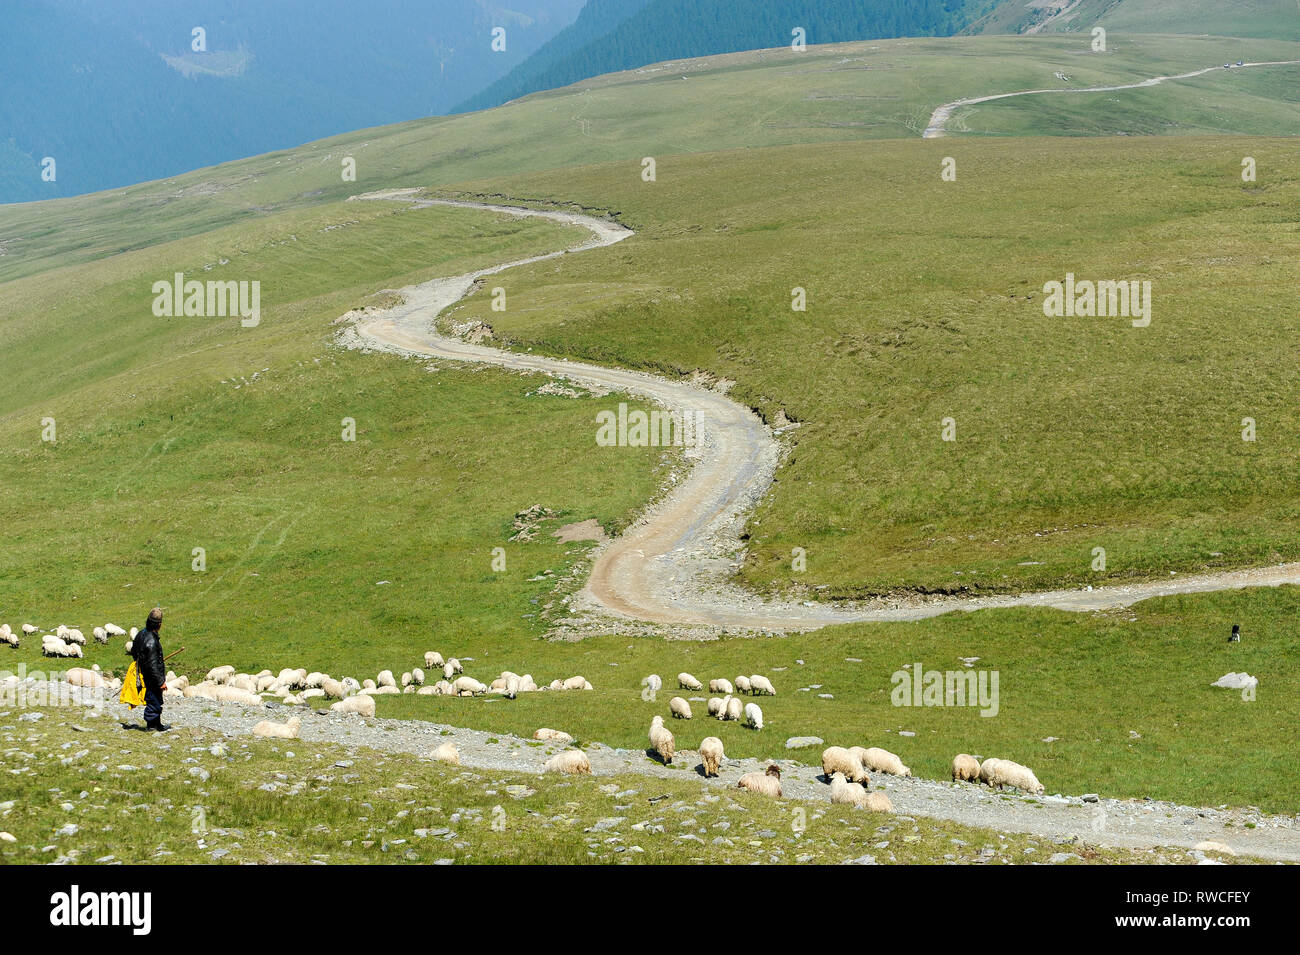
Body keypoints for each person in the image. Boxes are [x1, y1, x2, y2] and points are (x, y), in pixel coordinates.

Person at [132, 607, 170, 731]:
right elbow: (153, 665)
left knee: (155, 699)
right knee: (154, 700)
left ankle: (157, 724)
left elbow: (133, 651)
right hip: (151, 676)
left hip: (144, 672)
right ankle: (151, 726)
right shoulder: (152, 641)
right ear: (159, 624)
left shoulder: (141, 633)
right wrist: (161, 682)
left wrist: (141, 662)